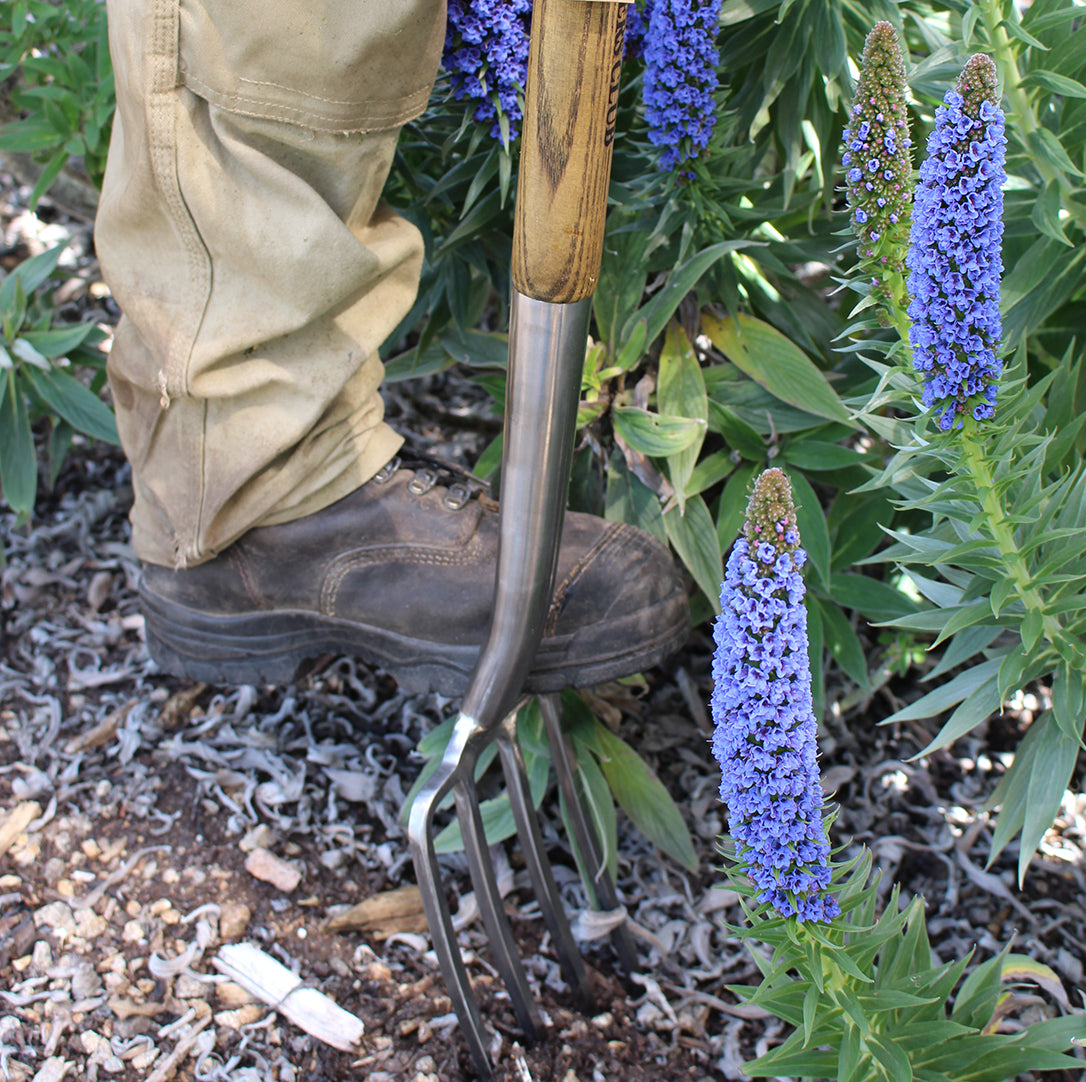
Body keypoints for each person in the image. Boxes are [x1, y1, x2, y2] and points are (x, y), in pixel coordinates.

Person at [93, 0, 689, 696]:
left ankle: (300, 472)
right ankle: (255, 498)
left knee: (354, 36)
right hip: (229, 505)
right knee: (287, 32)